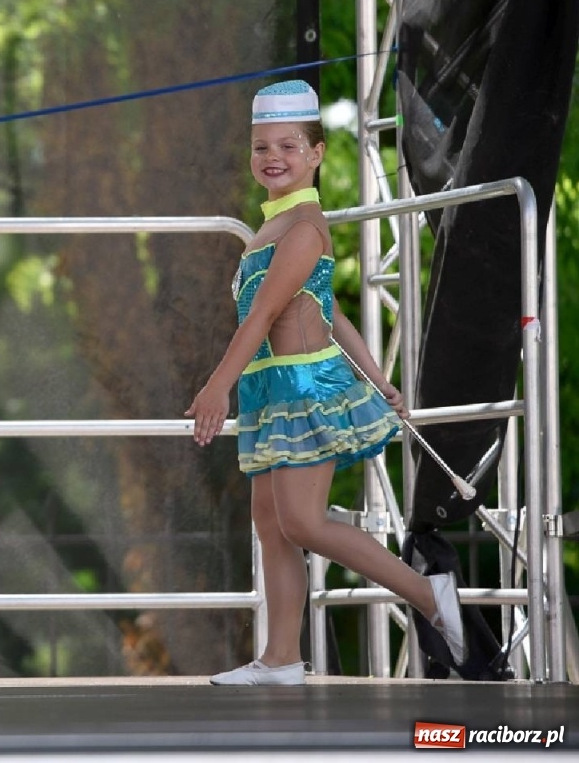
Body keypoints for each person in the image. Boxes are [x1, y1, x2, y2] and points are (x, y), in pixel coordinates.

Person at [186, 79, 466, 685]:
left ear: (316, 153)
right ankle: (281, 658)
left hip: (303, 388)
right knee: (270, 522)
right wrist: (378, 375)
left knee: (303, 523)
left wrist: (216, 387)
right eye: (261, 147)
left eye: (288, 145)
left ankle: (428, 594)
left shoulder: (304, 227)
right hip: (272, 387)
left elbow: (263, 314)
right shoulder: (271, 228)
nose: (273, 158)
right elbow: (329, 311)